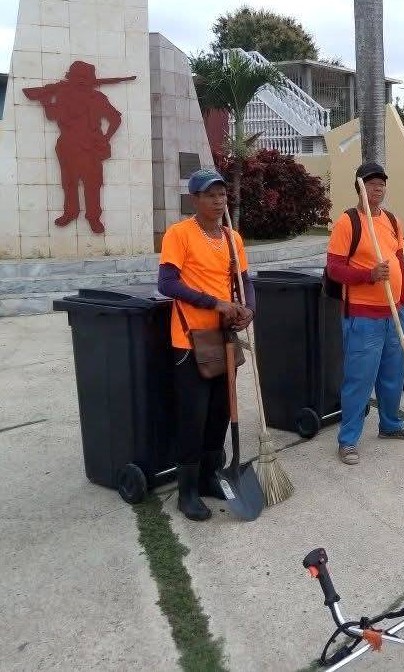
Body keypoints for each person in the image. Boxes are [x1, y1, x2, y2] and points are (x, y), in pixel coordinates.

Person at [157, 168, 255, 521]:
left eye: (222, 194)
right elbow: (167, 283)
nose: (218, 200)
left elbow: (244, 281)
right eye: (210, 195)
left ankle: (211, 476)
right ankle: (187, 492)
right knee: (193, 417)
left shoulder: (233, 239)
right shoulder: (179, 234)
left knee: (219, 413)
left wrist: (249, 310)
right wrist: (215, 304)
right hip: (189, 340)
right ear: (194, 199)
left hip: (224, 339)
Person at [325, 162, 404, 465]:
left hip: (396, 313)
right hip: (363, 316)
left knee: (393, 374)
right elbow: (334, 268)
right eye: (370, 183)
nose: (377, 188)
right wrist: (368, 274)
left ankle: (390, 424)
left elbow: (400, 262)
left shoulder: (392, 221)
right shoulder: (348, 222)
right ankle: (348, 440)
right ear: (359, 187)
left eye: (381, 183)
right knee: (359, 379)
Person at [23, 60, 132, 234]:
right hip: (68, 146)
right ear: (72, 77)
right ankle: (71, 212)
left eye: (85, 77)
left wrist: (106, 138)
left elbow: (115, 119)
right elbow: (52, 116)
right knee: (69, 183)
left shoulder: (97, 98)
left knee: (93, 184)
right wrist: (45, 100)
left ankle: (93, 217)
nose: (82, 81)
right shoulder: (63, 94)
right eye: (79, 77)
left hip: (91, 148)